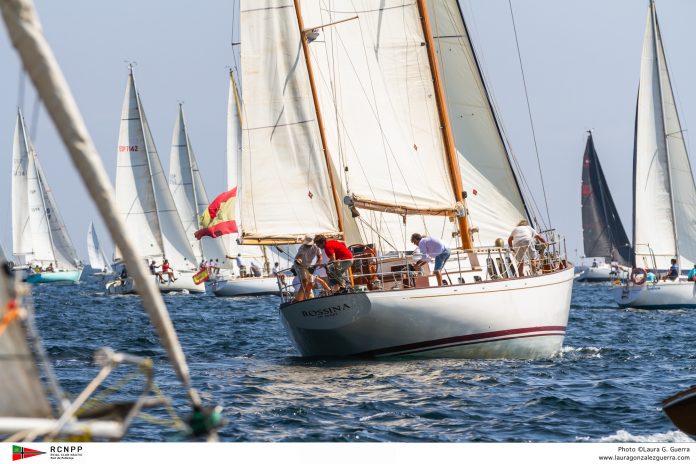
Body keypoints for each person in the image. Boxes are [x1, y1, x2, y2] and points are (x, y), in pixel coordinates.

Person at [293, 235, 322, 302]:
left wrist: (315, 266)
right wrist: (299, 260)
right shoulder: (302, 248)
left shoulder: (316, 247)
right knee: (305, 282)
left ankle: (308, 298)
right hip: (299, 265)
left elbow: (320, 258)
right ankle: (297, 300)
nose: (307, 246)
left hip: (308, 266)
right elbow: (299, 257)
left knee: (311, 283)